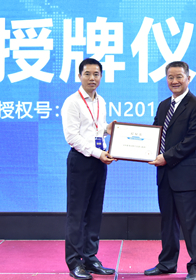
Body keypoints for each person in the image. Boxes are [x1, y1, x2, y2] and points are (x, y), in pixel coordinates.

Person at [145, 61, 196, 280]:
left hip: (188, 176)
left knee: (193, 224)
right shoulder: (164, 105)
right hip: (165, 175)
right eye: (170, 77)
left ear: (188, 78)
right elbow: (154, 134)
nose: (175, 81)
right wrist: (143, 149)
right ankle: (167, 263)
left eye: (179, 77)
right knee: (168, 222)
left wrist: (166, 157)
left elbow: (192, 140)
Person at [62, 58, 117, 280]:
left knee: (94, 212)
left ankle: (90, 257)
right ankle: (75, 261)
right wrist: (97, 153)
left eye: (96, 74)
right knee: (77, 214)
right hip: (81, 161)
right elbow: (72, 137)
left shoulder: (100, 100)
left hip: (98, 161)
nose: (92, 78)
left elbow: (95, 130)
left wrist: (108, 130)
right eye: (87, 74)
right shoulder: (72, 102)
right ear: (79, 76)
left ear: (101, 76)